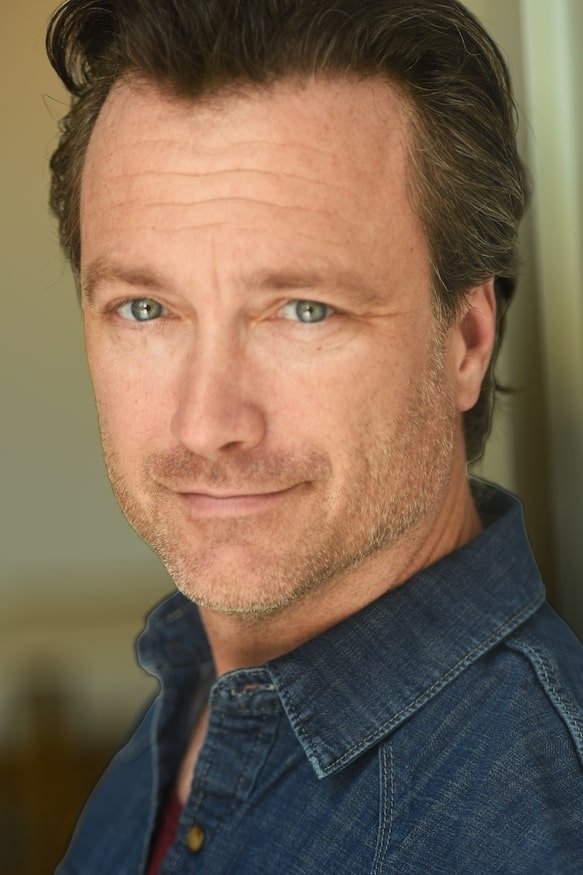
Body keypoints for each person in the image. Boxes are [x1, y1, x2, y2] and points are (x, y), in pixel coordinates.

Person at [47, 0, 582, 872]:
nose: (206, 423)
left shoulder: (535, 830)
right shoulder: (193, 693)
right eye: (145, 308)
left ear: (465, 340)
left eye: (303, 310)